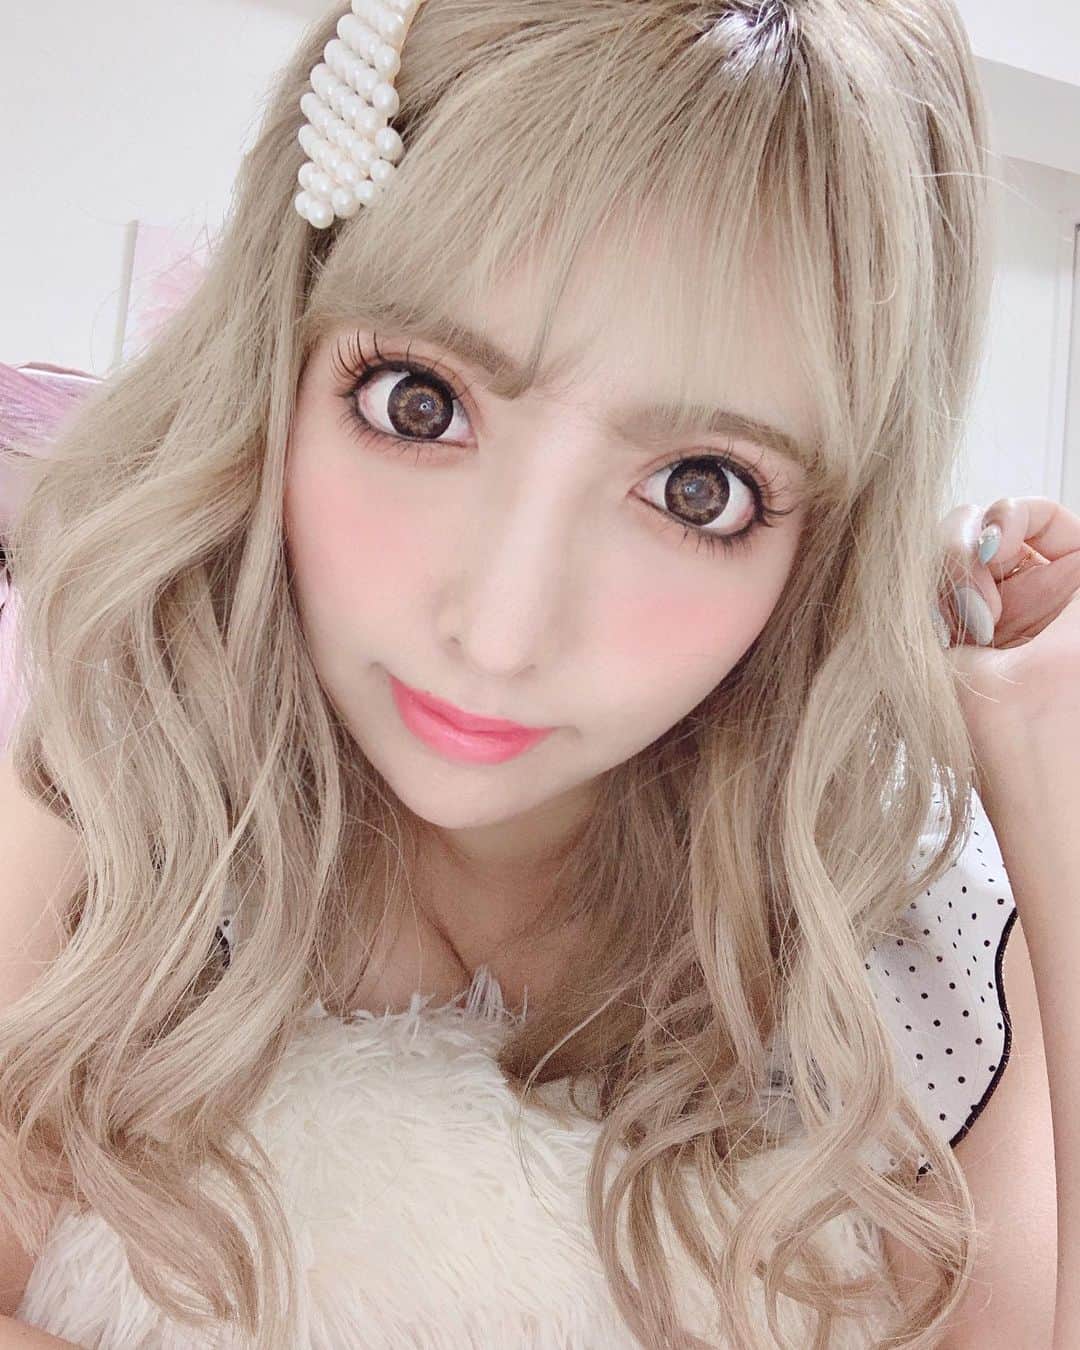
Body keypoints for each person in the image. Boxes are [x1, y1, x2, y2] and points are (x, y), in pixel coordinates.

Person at [0, 0, 1069, 1345]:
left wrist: (1058, 802)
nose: (500, 633)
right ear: (277, 364)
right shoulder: (129, 772)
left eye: (700, 488)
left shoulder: (907, 932)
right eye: (419, 402)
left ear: (832, 542)